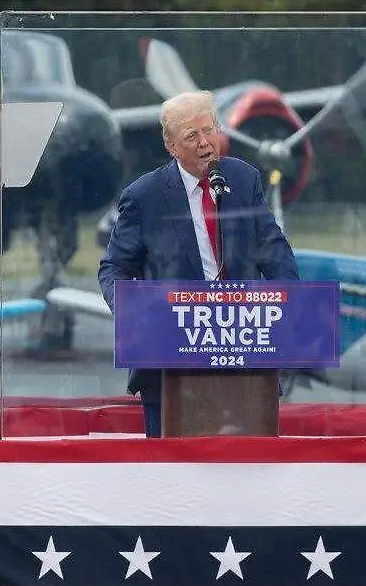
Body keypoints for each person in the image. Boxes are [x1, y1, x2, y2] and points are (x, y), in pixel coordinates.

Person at [98, 90, 299, 437]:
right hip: (170, 363)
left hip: (243, 354)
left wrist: (290, 304)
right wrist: (135, 314)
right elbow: (113, 269)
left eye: (210, 130)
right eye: (192, 136)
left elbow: (275, 251)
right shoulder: (144, 197)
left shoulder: (244, 180)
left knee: (249, 462)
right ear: (172, 146)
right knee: (174, 468)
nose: (205, 143)